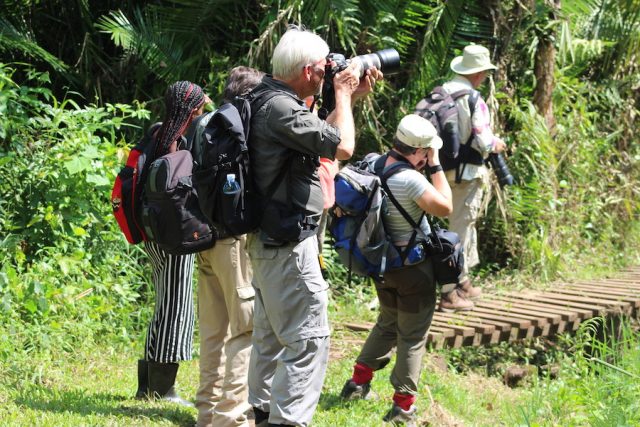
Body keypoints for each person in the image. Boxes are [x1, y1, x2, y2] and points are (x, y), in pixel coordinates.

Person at [245, 26, 382, 427]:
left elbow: (321, 138)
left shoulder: (264, 99)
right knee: (308, 341)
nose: (327, 73)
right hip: (289, 243)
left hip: (270, 239)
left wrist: (349, 98)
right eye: (323, 69)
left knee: (271, 338)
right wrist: (341, 95)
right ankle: (287, 420)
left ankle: (263, 414)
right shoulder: (283, 109)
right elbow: (342, 146)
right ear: (308, 70)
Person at [339, 114, 452, 426]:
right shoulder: (412, 180)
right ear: (419, 151)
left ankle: (357, 384)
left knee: (387, 324)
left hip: (381, 265)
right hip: (413, 270)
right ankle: (403, 408)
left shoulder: (373, 164)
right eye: (427, 152)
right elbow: (446, 207)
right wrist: (437, 166)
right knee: (412, 336)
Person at [192, 66, 265, 427]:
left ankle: (207, 414)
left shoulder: (205, 124)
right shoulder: (242, 125)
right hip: (234, 243)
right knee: (244, 330)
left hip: (204, 238)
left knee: (213, 332)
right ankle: (233, 419)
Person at [135, 81, 209, 406]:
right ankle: (163, 390)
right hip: (172, 239)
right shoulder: (176, 147)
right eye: (202, 107)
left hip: (151, 234)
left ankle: (146, 386)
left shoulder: (155, 134)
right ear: (193, 110)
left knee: (164, 307)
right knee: (176, 310)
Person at [438, 44, 507, 312]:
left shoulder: (441, 92)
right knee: (459, 232)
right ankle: (448, 293)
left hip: (441, 172)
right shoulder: (473, 98)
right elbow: (483, 140)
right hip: (467, 175)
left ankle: (463, 281)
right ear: (478, 73)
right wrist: (497, 143)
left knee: (460, 228)